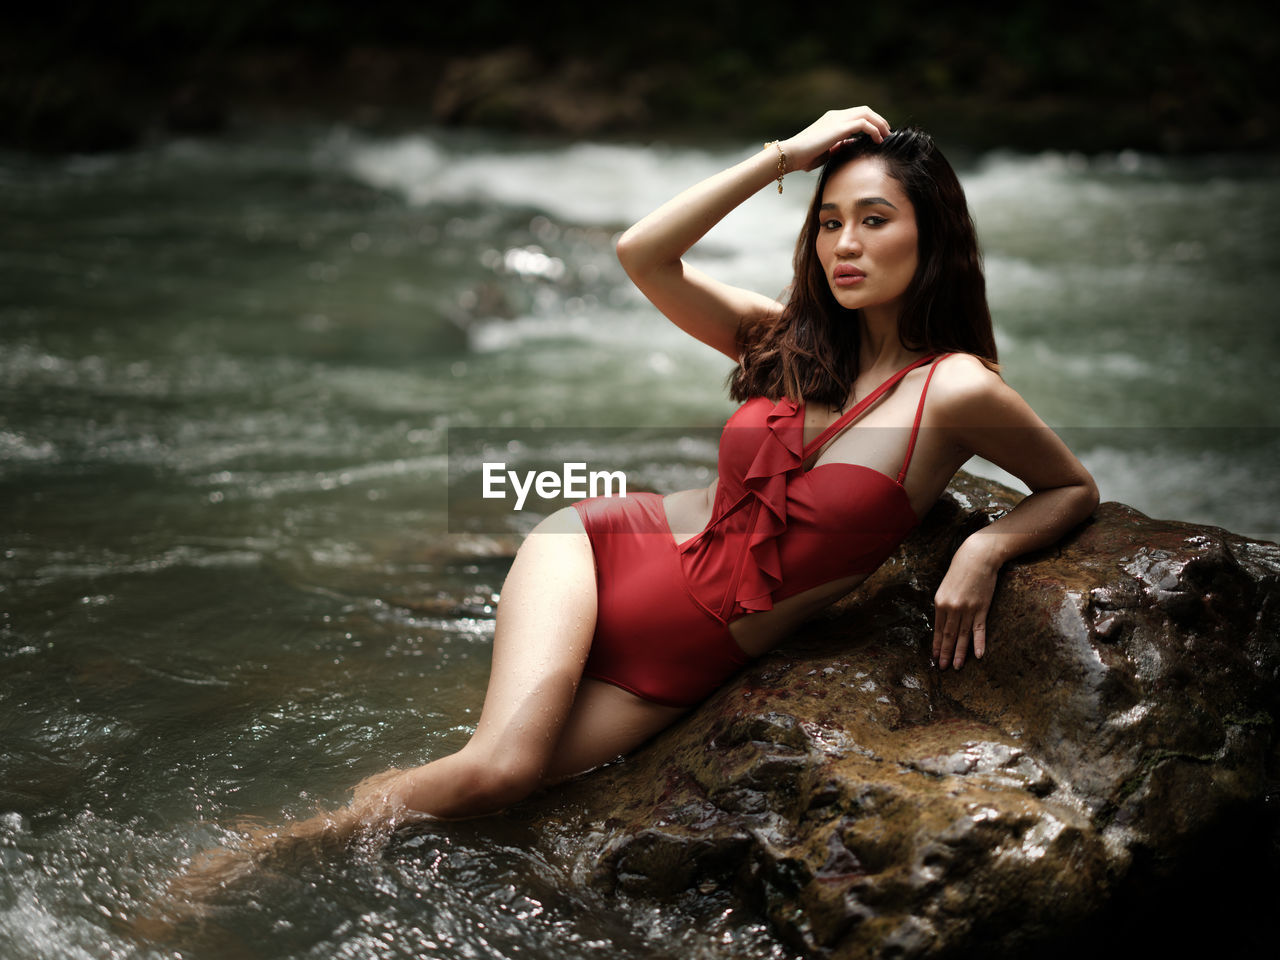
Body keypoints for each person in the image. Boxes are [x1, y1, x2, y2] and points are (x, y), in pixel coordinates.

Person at [179, 106, 1098, 883]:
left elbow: (1069, 489)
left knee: (494, 787)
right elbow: (643, 254)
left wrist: (985, 548)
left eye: (874, 220)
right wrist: (786, 154)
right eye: (827, 222)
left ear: (932, 233)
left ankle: (294, 848)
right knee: (496, 765)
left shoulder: (960, 391)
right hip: (600, 551)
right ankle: (242, 863)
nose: (844, 245)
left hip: (672, 670)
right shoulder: (786, 339)